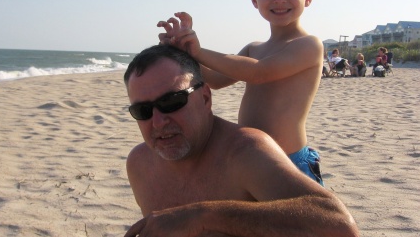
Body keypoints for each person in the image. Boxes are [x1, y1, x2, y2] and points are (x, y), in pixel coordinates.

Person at [123, 44, 358, 237]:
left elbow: (340, 226)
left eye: (171, 102)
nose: (158, 121)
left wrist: (203, 217)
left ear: (205, 98)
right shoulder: (140, 164)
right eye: (143, 111)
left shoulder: (245, 152)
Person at [157, 0, 325, 185]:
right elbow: (215, 80)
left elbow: (259, 73)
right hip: (249, 158)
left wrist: (200, 51)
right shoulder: (253, 48)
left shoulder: (309, 45)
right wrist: (183, 52)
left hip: (288, 161)